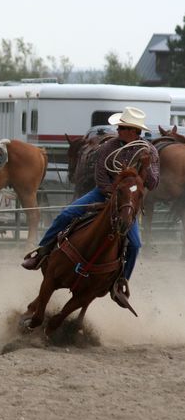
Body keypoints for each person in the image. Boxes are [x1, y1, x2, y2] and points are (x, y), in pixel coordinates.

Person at [21, 106, 160, 303]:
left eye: (121, 127)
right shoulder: (109, 147)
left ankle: (120, 282)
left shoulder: (150, 152)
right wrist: (112, 194)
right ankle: (42, 252)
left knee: (135, 244)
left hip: (127, 202)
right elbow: (101, 177)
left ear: (132, 131)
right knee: (67, 214)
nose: (118, 130)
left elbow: (153, 183)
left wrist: (146, 167)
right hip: (103, 194)